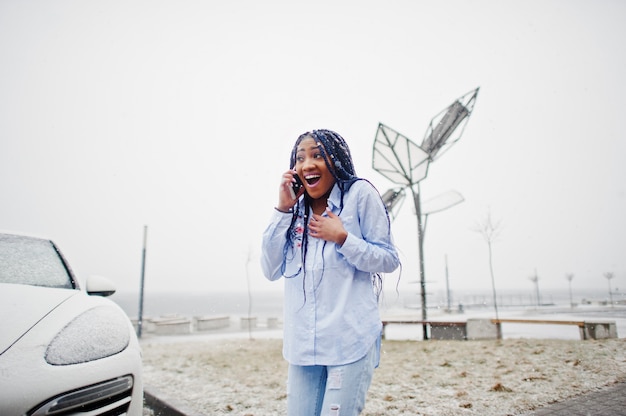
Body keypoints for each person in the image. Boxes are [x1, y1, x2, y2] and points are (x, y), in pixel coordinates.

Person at [261, 129, 400, 416]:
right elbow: (270, 268)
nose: (307, 164)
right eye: (300, 158)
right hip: (303, 348)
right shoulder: (293, 211)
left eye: (317, 155)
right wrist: (283, 209)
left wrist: (343, 238)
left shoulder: (359, 195)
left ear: (335, 161)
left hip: (349, 341)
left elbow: (388, 259)